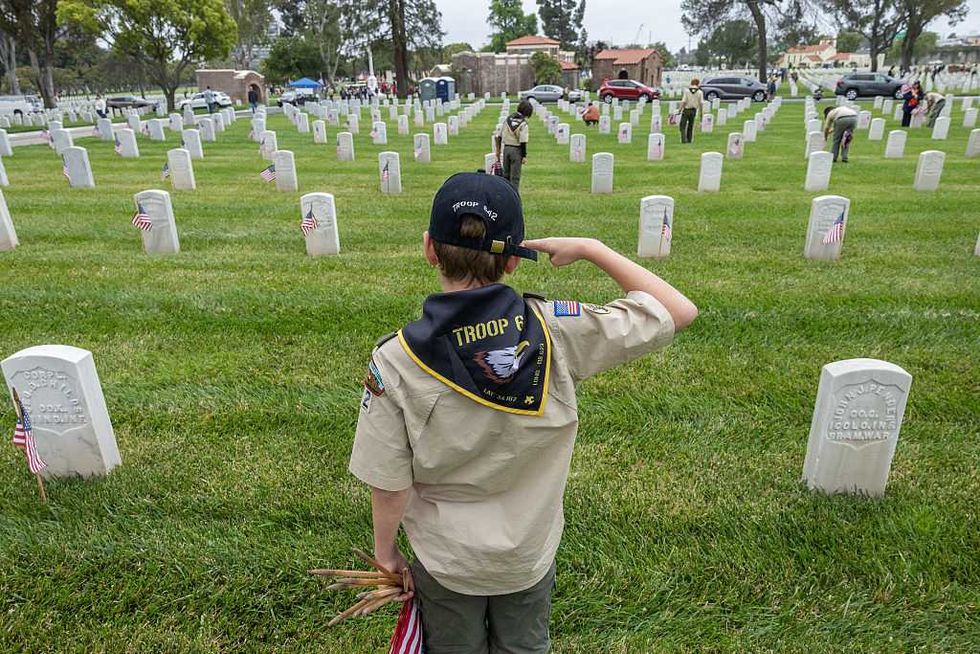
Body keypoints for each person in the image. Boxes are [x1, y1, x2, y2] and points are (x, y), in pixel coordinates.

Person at [348, 172, 697, 654]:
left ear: (429, 248)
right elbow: (677, 310)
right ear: (513, 260)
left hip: (446, 561)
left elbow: (389, 480)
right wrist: (595, 248)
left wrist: (386, 553)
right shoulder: (557, 330)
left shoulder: (396, 360)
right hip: (527, 553)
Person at [498, 99, 533, 191]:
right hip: (516, 150)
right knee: (515, 177)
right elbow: (523, 140)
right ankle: (513, 196)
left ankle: (504, 193)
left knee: (506, 175)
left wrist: (498, 152)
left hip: (506, 149)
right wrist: (524, 155)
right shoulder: (523, 123)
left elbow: (499, 135)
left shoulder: (508, 119)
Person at [678, 78, 703, 143]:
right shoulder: (700, 92)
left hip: (686, 110)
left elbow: (684, 101)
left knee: (682, 126)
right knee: (691, 126)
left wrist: (679, 110)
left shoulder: (687, 91)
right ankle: (689, 140)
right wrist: (701, 114)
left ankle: (683, 140)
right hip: (693, 110)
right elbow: (701, 103)